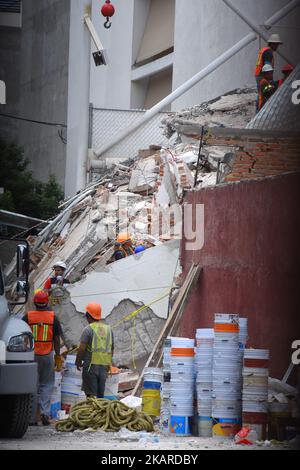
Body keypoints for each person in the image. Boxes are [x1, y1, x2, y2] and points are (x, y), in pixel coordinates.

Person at [23, 291, 63, 425]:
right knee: (47, 385)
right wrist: (57, 356)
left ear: (35, 302)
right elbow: (57, 339)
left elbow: (21, 335)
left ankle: (32, 418)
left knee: (32, 386)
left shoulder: (28, 317)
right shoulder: (53, 317)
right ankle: (45, 413)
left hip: (32, 355)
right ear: (47, 303)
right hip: (47, 355)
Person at [75, 303, 114, 399]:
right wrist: (109, 363)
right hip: (104, 366)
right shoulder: (109, 329)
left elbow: (82, 348)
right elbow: (112, 348)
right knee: (100, 396)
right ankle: (99, 412)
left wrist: (78, 361)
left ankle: (91, 413)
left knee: (91, 396)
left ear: (88, 316)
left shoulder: (88, 329)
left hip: (90, 366)